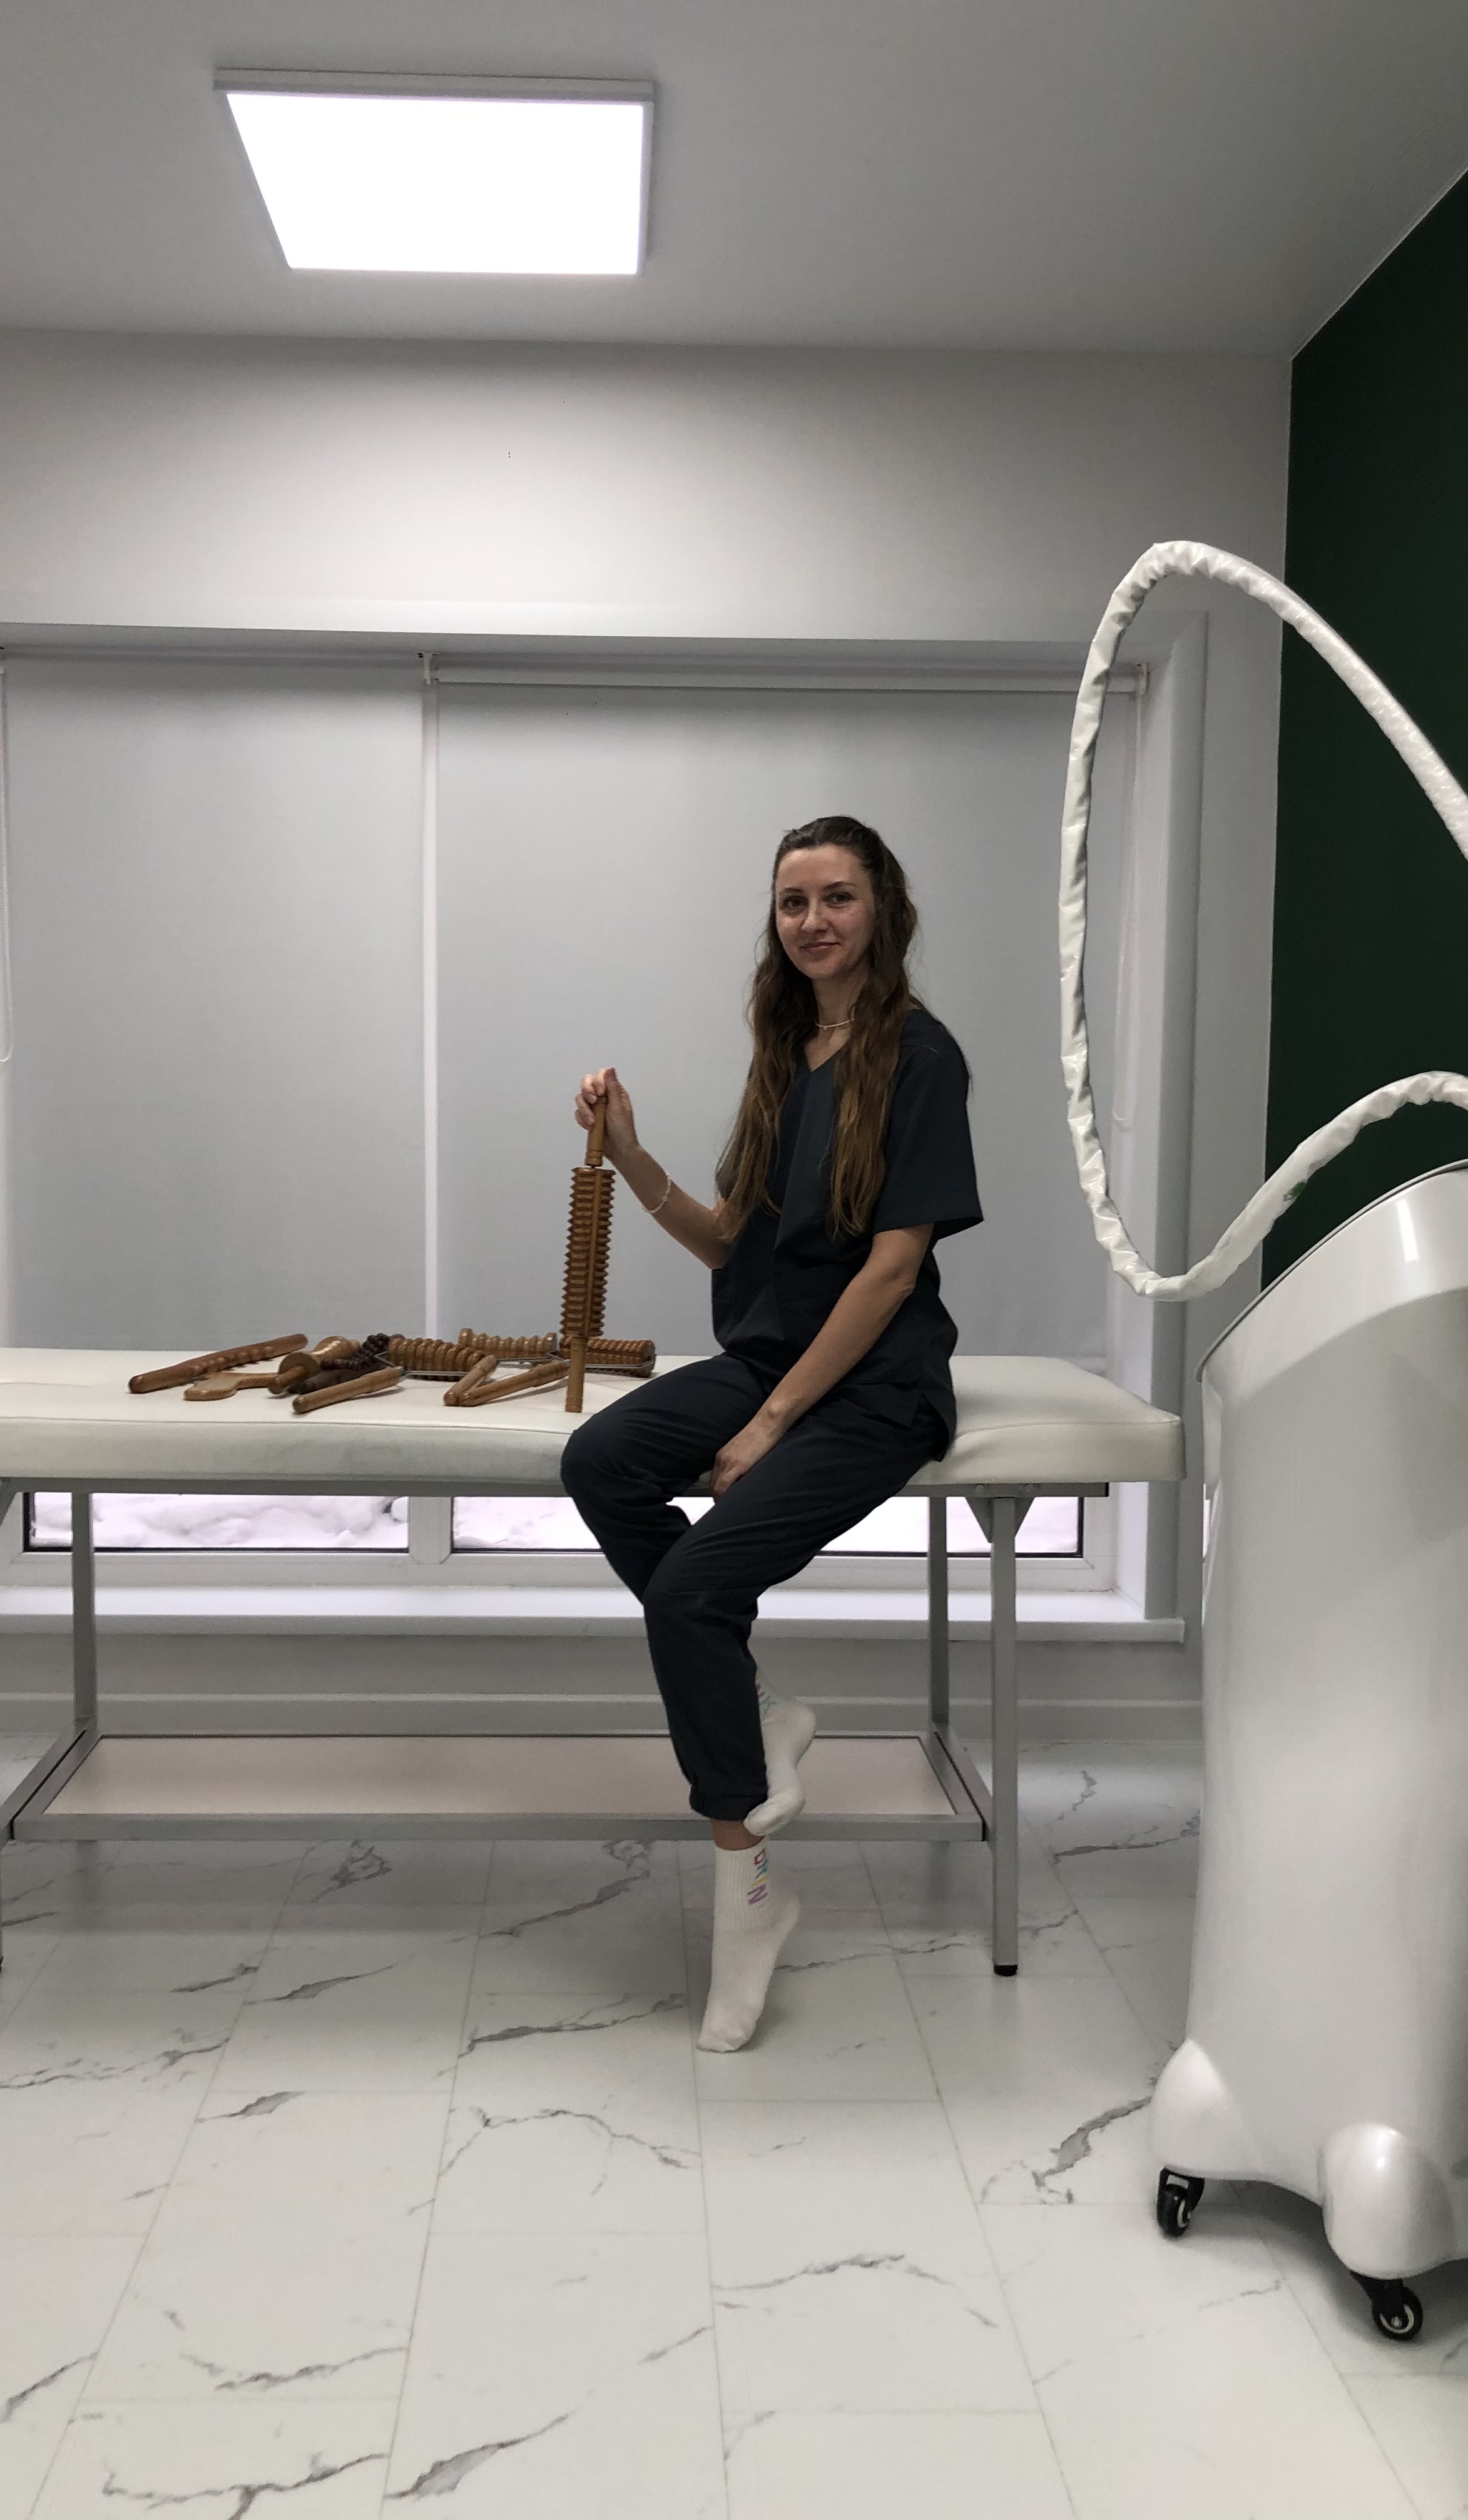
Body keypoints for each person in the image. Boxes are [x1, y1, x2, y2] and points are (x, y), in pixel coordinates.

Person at [561, 814, 982, 2051]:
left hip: (874, 1385)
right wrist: (629, 1155)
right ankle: (756, 1708)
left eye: (835, 897)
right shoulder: (786, 1053)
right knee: (601, 1461)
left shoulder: (921, 1057)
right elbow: (727, 1241)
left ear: (881, 909)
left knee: (690, 1590)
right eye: (793, 901)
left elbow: (892, 1269)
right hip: (767, 1357)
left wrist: (773, 1419)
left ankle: (747, 1899)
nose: (811, 921)